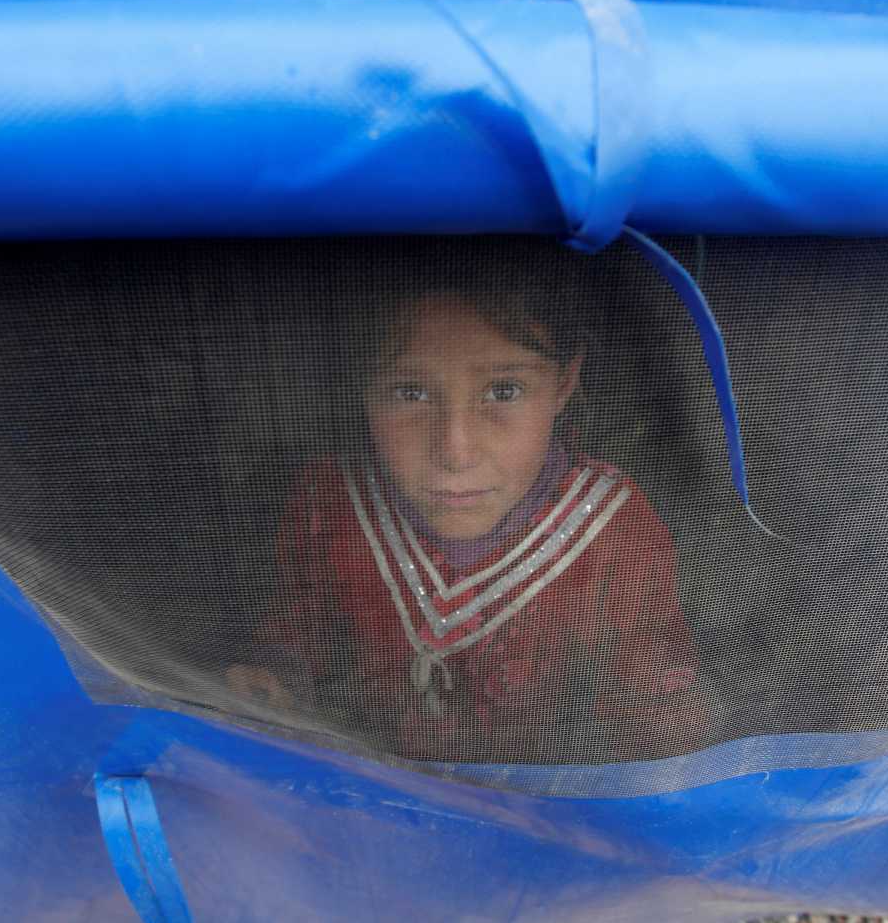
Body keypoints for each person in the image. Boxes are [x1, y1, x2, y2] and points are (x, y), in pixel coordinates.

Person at [226, 255, 699, 763]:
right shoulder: (333, 502)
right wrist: (272, 682)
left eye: (504, 391)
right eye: (411, 393)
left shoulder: (607, 529)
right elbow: (298, 630)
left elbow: (654, 711)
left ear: (564, 384)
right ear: (362, 387)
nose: (456, 452)